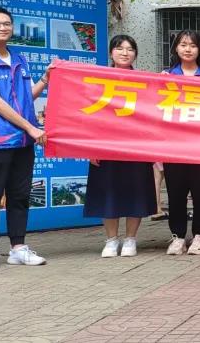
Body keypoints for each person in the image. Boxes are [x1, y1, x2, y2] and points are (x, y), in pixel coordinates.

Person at [0, 6, 49, 271]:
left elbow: (26, 98)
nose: (2, 27)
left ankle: (18, 248)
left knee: (20, 195)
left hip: (22, 141)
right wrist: (32, 128)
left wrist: (45, 79)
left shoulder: (19, 59)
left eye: (6, 23)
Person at [84, 35, 157, 258]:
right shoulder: (99, 80)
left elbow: (154, 113)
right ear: (110, 53)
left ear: (136, 54)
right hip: (106, 147)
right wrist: (91, 147)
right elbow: (89, 117)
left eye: (129, 49)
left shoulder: (145, 80)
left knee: (136, 192)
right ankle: (111, 239)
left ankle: (131, 239)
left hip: (137, 147)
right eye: (119, 48)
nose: (125, 53)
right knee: (108, 193)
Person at [162, 29, 200, 256]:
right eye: (183, 45)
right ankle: (177, 235)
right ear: (176, 48)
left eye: (193, 45)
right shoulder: (165, 77)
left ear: (199, 50)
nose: (188, 49)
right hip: (173, 146)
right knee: (175, 192)